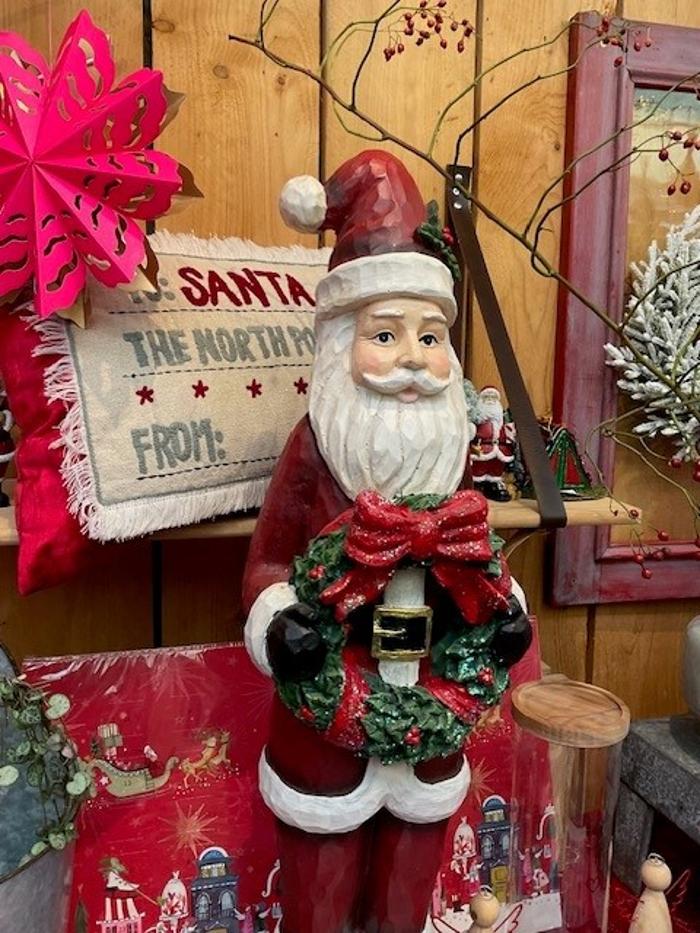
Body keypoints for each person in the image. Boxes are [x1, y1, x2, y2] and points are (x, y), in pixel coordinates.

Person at [242, 150, 532, 933]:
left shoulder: (450, 447)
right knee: (322, 884)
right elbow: (267, 562)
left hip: (436, 706)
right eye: (386, 333)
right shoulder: (314, 448)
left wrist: (504, 610)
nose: (413, 359)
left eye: (431, 337)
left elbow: (477, 556)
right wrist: (280, 625)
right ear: (342, 342)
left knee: (410, 887)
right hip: (328, 719)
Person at [469, 386, 516, 502]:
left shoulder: (501, 418)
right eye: (487, 397)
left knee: (496, 468)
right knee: (479, 469)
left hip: (499, 449)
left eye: (493, 398)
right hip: (482, 448)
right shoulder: (478, 419)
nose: (490, 400)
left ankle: (493, 485)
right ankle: (477, 486)